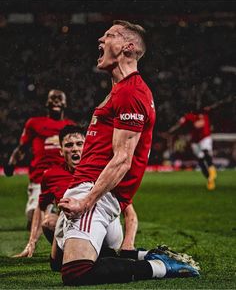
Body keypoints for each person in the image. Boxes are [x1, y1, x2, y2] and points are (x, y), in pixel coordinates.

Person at [56, 20, 199, 286]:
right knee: (60, 260)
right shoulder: (122, 90)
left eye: (109, 35)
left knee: (75, 272)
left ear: (128, 47)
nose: (100, 39)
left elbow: (122, 159)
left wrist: (86, 201)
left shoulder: (131, 92)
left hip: (95, 193)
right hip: (93, 188)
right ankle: (143, 255)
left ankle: (158, 266)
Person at [13, 125, 139, 258]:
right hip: (74, 225)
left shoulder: (104, 171)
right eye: (69, 145)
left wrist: (128, 244)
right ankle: (74, 254)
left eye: (80, 144)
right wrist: (31, 242)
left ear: (87, 147)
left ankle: (92, 253)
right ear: (61, 151)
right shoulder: (51, 175)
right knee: (49, 221)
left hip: (107, 229)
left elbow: (129, 212)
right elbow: (41, 206)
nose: (75, 149)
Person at [4, 89, 75, 228]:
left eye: (60, 98)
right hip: (39, 178)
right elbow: (22, 147)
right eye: (52, 98)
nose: (56, 100)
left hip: (63, 178)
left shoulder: (71, 126)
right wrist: (11, 163)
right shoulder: (34, 123)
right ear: (46, 102)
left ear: (65, 104)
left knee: (65, 215)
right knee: (34, 217)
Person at [167, 96, 235, 190]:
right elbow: (180, 125)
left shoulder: (205, 114)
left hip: (205, 137)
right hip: (195, 141)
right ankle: (209, 179)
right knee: (200, 160)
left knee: (206, 152)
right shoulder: (189, 117)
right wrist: (170, 131)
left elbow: (214, 111)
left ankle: (212, 170)